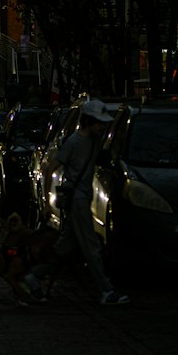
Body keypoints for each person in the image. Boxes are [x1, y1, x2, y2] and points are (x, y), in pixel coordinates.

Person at [29, 99, 128, 306]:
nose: (102, 126)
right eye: (99, 122)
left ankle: (34, 277)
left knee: (65, 245)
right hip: (77, 199)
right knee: (91, 246)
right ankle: (106, 290)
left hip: (83, 197)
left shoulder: (93, 140)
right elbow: (50, 169)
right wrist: (47, 202)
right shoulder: (74, 142)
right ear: (89, 121)